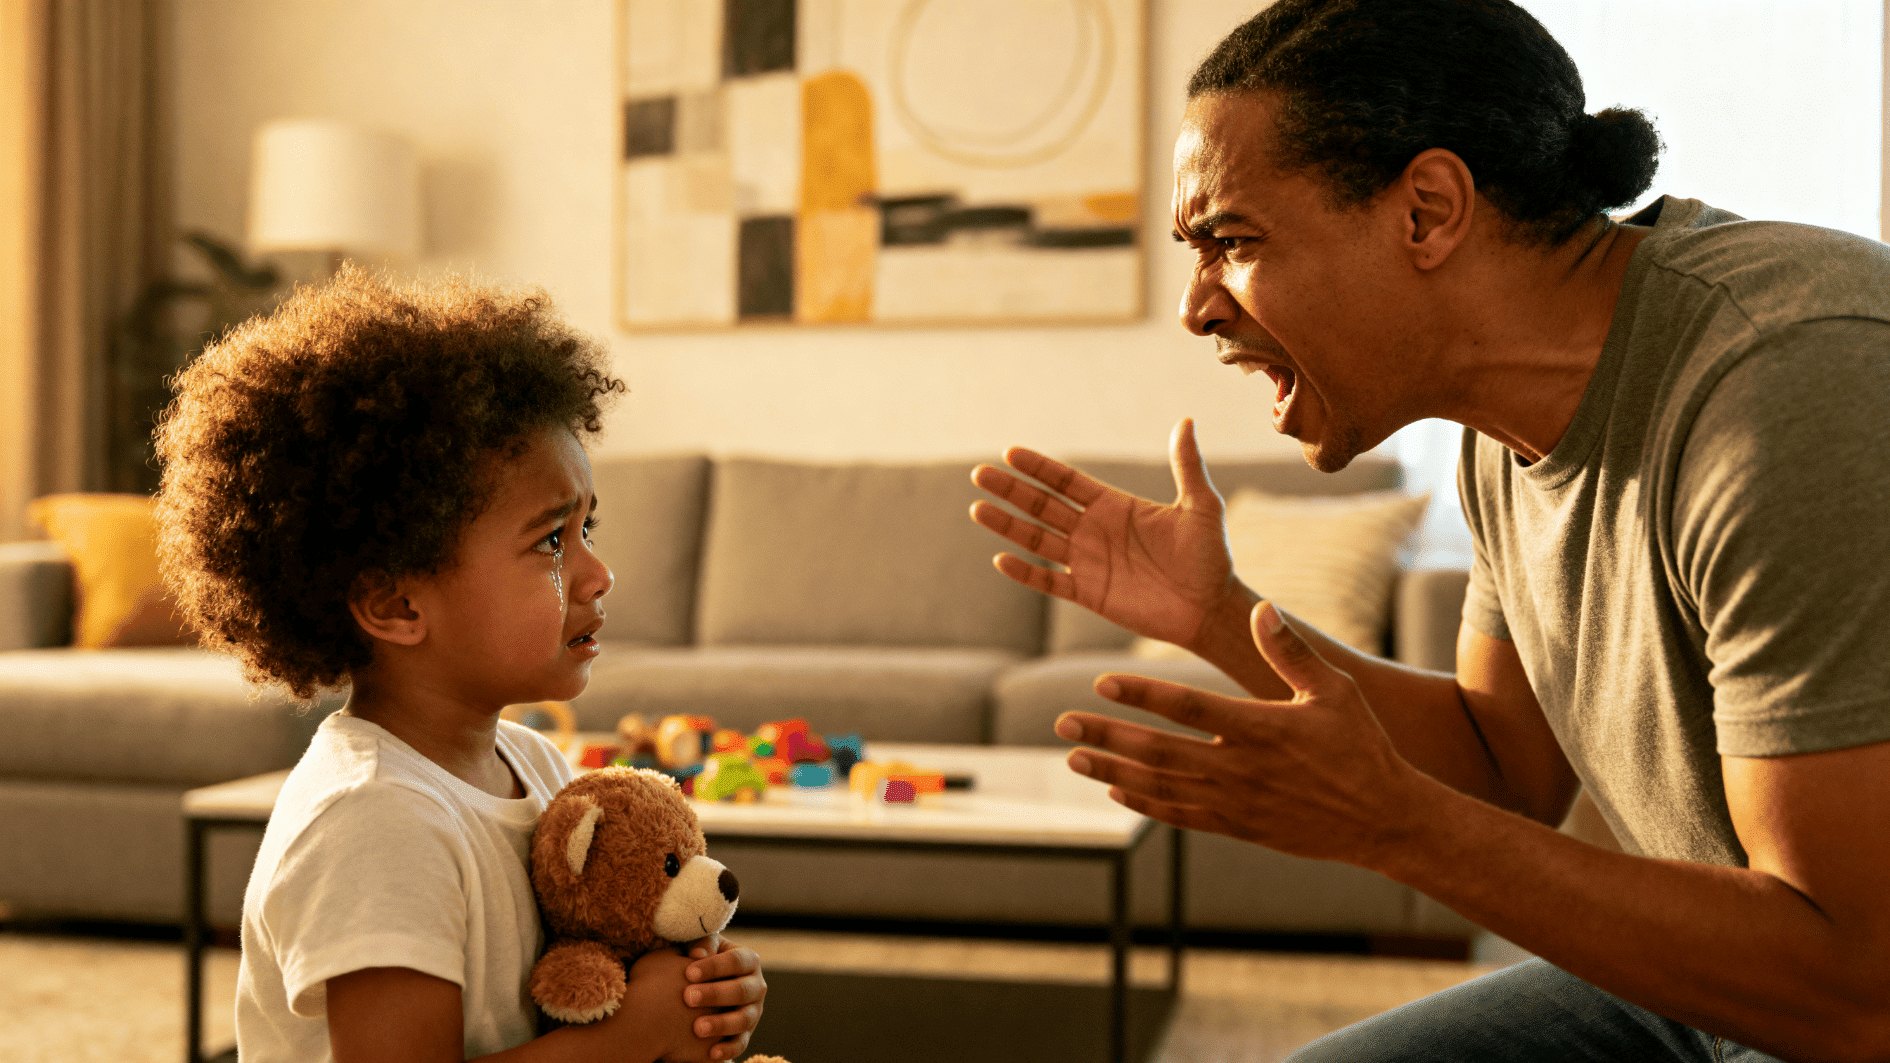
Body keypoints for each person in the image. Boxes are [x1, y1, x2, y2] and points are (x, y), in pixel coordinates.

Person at [970, 1, 1890, 1060]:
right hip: (1727, 983)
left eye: (1231, 242)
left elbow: (1857, 989)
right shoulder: (1502, 430)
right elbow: (1503, 764)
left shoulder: (1793, 385)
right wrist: (1223, 618)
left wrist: (1396, 825)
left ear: (1427, 211)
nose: (1197, 308)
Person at [154, 267, 768, 1063]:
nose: (597, 572)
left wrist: (695, 1003)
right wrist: (633, 1037)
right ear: (396, 605)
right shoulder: (373, 822)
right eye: (551, 540)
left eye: (588, 528)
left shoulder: (535, 763)